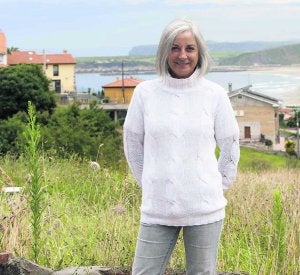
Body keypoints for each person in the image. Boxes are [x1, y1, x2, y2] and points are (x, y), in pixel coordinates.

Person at [123, 18, 240, 275]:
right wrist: (152, 183)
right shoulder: (145, 93)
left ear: (200, 53)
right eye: (174, 47)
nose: (182, 55)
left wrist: (216, 186)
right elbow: (132, 143)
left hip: (205, 208)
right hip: (157, 208)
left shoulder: (214, 94)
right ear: (164, 52)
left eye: (190, 48)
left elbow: (230, 144)